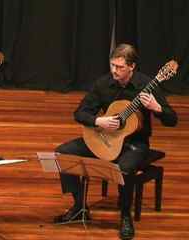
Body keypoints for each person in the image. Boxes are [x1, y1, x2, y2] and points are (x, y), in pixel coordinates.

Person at [54, 43, 177, 239]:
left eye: (119, 67)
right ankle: (79, 206)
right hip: (104, 138)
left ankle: (125, 216)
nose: (114, 71)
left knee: (125, 168)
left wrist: (157, 108)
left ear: (132, 67)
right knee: (62, 153)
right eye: (112, 65)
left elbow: (173, 120)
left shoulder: (147, 85)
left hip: (135, 144)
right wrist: (98, 120)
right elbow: (79, 113)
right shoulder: (103, 84)